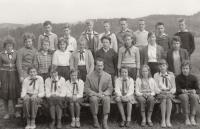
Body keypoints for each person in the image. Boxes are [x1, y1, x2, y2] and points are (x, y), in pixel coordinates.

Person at [84, 57, 113, 129]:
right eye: (98, 65)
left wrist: (103, 94)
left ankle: (105, 121)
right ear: (95, 66)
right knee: (93, 99)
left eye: (101, 66)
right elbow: (87, 89)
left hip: (104, 95)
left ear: (103, 66)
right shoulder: (89, 76)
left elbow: (110, 89)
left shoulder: (108, 76)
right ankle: (95, 120)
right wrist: (96, 94)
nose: (100, 67)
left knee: (107, 99)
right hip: (94, 95)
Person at [0, 36, 21, 119]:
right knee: (5, 94)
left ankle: (16, 112)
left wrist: (20, 76)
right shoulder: (1, 54)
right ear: (4, 46)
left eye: (10, 46)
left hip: (14, 75)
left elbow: (18, 64)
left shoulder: (17, 53)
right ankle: (7, 113)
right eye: (7, 46)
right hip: (4, 75)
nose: (9, 47)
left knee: (14, 94)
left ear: (13, 46)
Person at [176, 60, 200, 126]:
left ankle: (192, 117)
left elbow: (198, 89)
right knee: (184, 96)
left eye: (187, 68)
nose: (185, 70)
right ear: (181, 69)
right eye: (183, 68)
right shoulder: (178, 77)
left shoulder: (193, 77)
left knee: (195, 96)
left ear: (189, 69)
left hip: (192, 94)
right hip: (182, 94)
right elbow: (177, 89)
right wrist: (182, 91)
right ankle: (186, 118)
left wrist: (195, 91)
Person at [154, 59, 176, 128]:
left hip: (169, 92)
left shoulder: (171, 75)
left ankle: (168, 120)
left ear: (167, 66)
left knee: (168, 98)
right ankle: (163, 120)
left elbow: (173, 87)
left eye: (164, 65)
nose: (162, 67)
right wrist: (160, 91)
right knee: (164, 98)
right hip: (160, 93)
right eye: (160, 66)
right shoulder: (156, 75)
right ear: (158, 67)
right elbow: (155, 87)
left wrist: (171, 91)